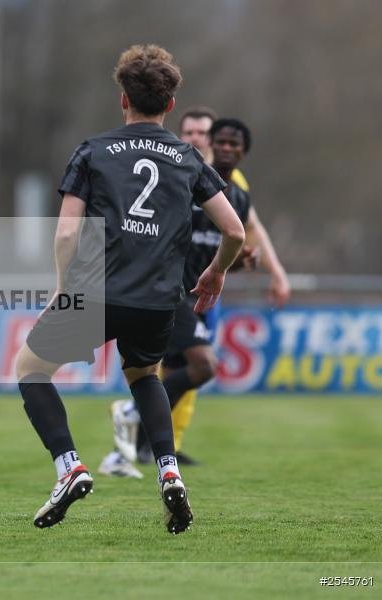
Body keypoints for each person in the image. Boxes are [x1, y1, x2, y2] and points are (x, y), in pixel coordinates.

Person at [14, 45, 245, 534]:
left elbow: (65, 233)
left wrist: (62, 287)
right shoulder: (188, 158)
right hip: (160, 299)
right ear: (171, 105)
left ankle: (69, 466)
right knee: (144, 375)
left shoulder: (94, 150)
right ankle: (168, 471)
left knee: (31, 368)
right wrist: (217, 272)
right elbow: (235, 232)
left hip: (95, 292)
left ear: (123, 100)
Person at [102, 117, 291, 477]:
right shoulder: (185, 180)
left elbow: (214, 261)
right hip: (168, 293)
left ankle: (124, 454)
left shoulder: (236, 197)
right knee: (204, 366)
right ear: (209, 144)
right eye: (218, 140)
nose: (225, 147)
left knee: (167, 378)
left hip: (195, 298)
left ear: (244, 151)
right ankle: (130, 413)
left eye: (234, 143)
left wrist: (240, 261)